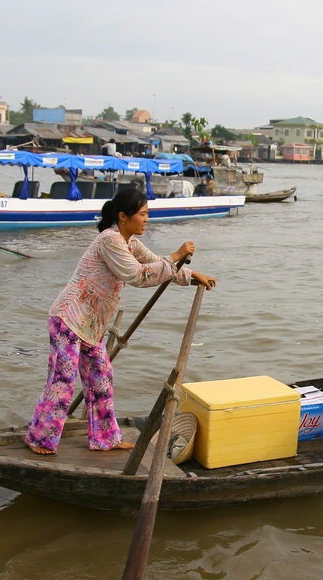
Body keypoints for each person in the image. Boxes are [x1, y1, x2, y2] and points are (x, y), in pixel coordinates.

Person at [24, 187, 217, 455]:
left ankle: (104, 438)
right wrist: (175, 255)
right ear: (123, 217)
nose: (146, 219)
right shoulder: (109, 240)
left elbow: (156, 265)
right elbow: (138, 275)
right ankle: (39, 438)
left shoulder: (130, 243)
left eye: (148, 213)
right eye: (142, 214)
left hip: (91, 326)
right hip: (69, 319)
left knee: (102, 378)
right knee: (62, 380)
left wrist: (193, 275)